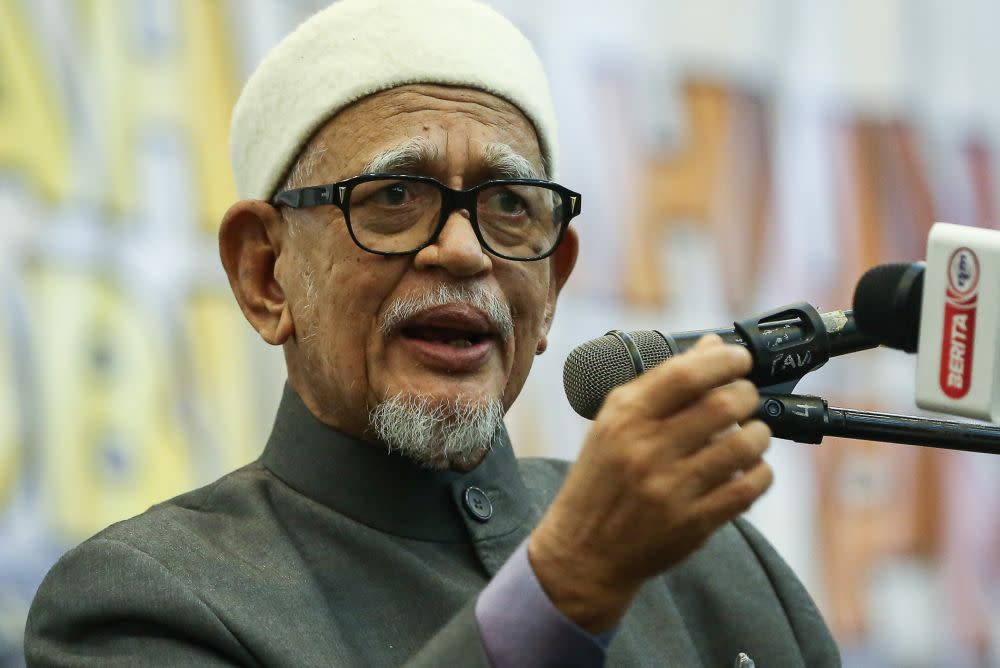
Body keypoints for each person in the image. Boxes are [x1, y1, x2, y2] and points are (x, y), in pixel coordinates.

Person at [24, 1, 839, 665]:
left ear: (551, 286)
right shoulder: (144, 602)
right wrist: (564, 588)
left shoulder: (722, 569)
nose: (462, 249)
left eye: (510, 207)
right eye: (393, 197)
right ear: (266, 274)